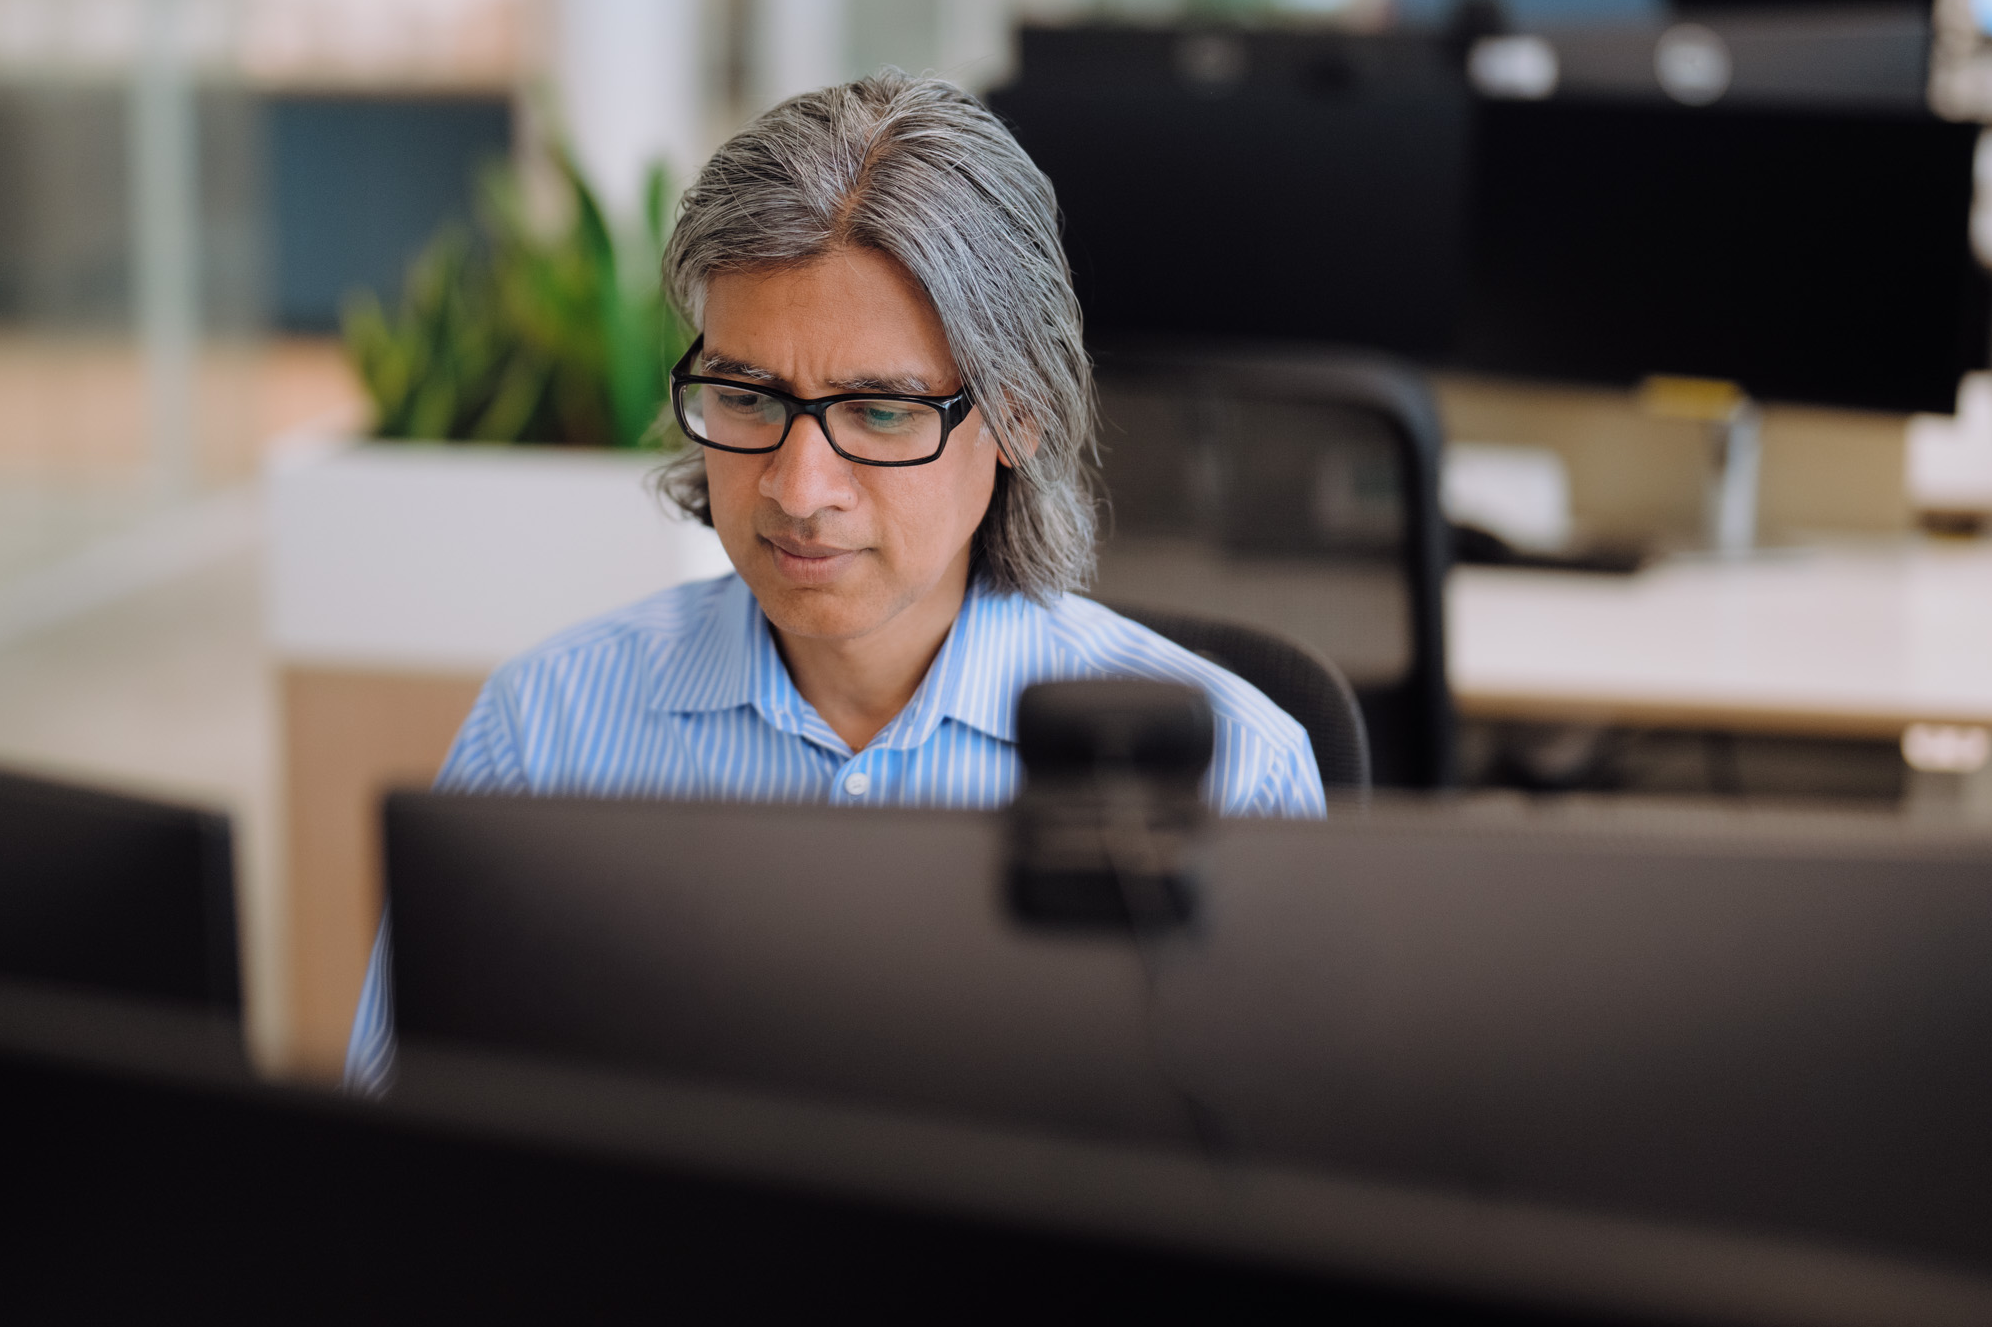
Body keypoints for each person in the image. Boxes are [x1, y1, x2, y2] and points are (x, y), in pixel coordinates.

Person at [347, 71, 1322, 1090]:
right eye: (746, 393)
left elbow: (1279, 1202)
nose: (799, 489)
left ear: (1018, 414)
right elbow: (392, 1149)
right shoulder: (547, 732)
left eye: (882, 411)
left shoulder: (1235, 774)